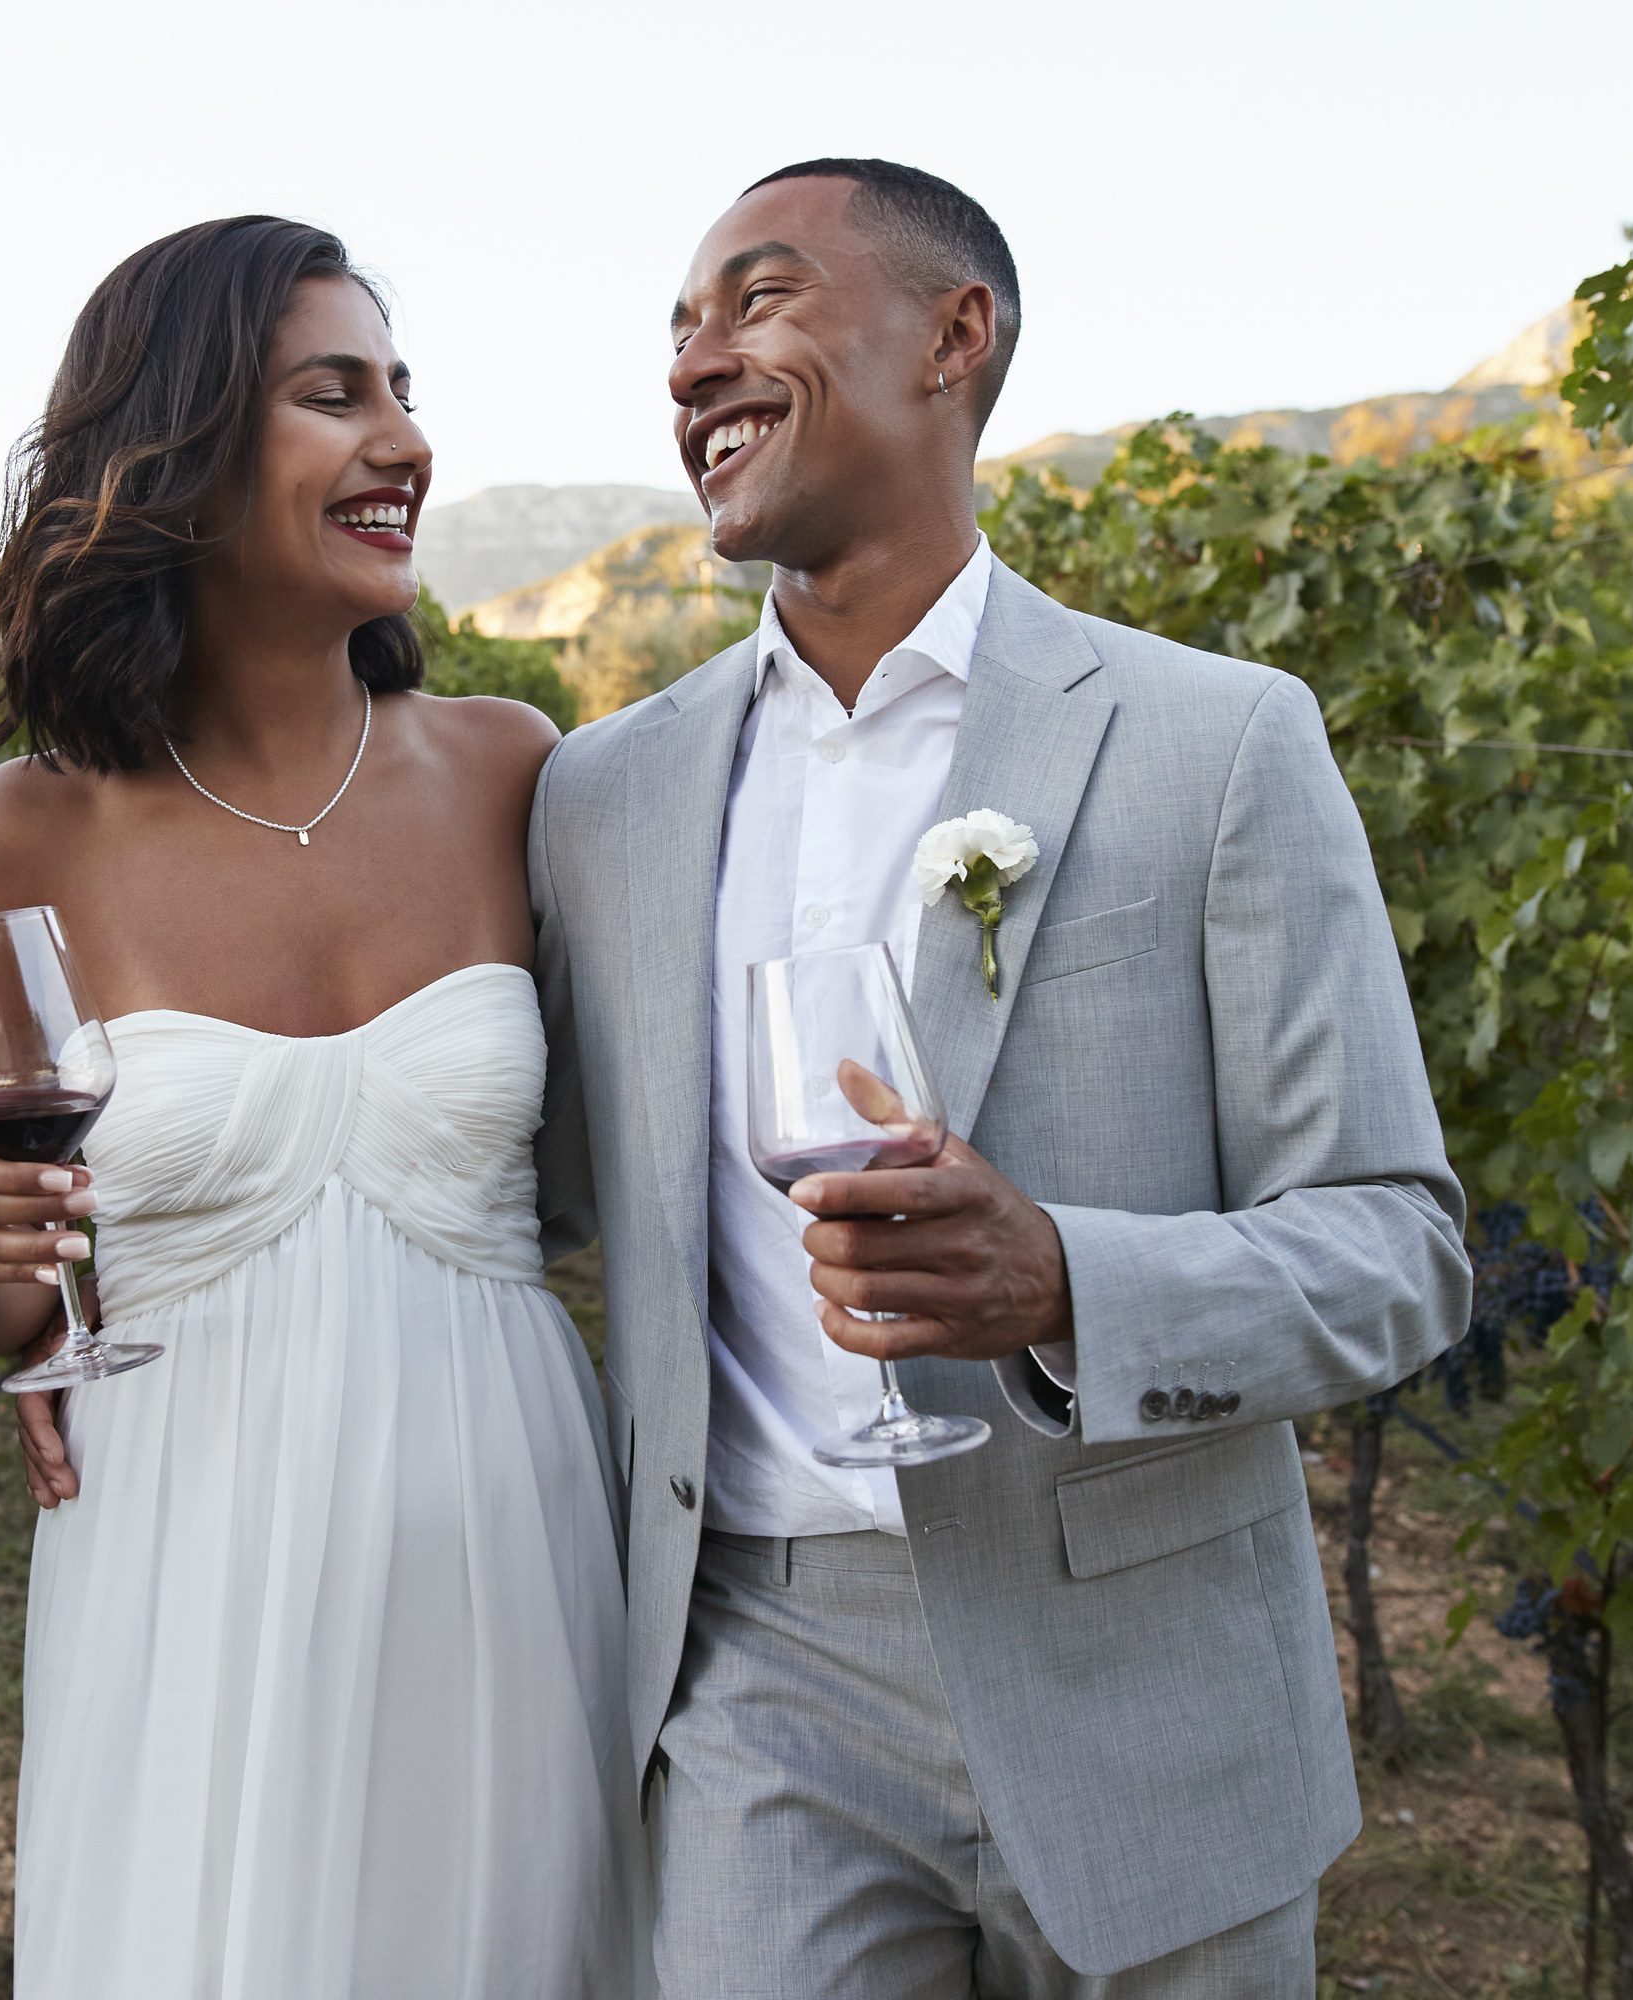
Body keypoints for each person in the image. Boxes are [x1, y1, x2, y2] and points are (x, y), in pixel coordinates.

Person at [529, 160, 1471, 1996]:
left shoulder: (1216, 741)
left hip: (1144, 1672)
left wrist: (1066, 1282)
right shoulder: (601, 794)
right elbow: (532, 1183)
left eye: (760, 299)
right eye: (676, 329)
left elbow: (1399, 1247)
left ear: (955, 337)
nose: (695, 362)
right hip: (754, 1679)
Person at [0, 216, 643, 1998]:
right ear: (184, 446)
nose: (405, 441)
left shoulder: (511, 771)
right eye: (336, 395)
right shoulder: (23, 831)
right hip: (184, 1566)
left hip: (509, 1556)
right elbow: (26, 1308)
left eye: (403, 391)